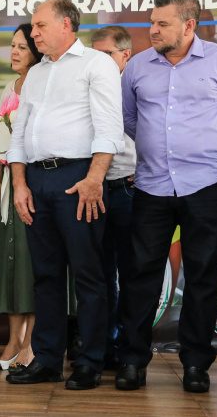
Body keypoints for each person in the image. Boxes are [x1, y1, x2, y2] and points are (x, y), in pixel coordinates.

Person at [117, 0, 217, 393]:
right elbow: (129, 119)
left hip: (205, 186)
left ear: (188, 25)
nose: (152, 30)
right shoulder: (138, 66)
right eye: (152, 22)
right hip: (152, 186)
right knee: (141, 276)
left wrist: (210, 158)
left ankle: (196, 364)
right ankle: (132, 361)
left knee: (202, 276)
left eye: (162, 23)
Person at [4, 0, 123, 390]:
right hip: (36, 180)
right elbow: (19, 134)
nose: (33, 33)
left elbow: (109, 128)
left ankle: (90, 360)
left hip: (78, 179)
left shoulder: (96, 64)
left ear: (67, 25)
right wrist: (19, 184)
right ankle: (48, 360)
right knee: (46, 276)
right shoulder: (37, 73)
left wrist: (94, 179)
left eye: (39, 25)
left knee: (89, 275)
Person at [0, 23, 41, 371]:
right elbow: (1, 145)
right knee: (10, 263)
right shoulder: (9, 87)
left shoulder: (42, 86)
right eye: (12, 45)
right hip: (8, 183)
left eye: (22, 46)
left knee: (31, 264)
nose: (15, 52)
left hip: (33, 183)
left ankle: (31, 346)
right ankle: (13, 339)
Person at [91, 25, 138, 369]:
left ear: (125, 55)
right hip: (92, 190)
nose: (98, 61)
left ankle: (128, 347)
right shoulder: (85, 84)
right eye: (94, 54)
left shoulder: (138, 86)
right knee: (97, 272)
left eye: (105, 54)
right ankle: (102, 344)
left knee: (131, 272)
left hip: (129, 188)